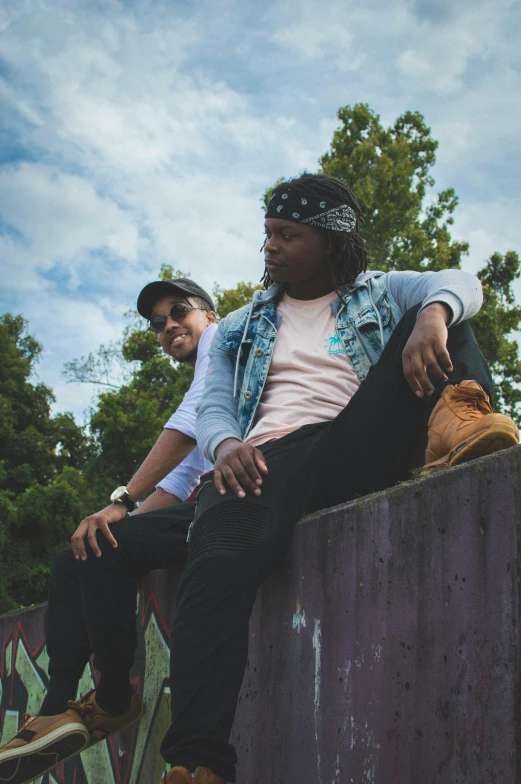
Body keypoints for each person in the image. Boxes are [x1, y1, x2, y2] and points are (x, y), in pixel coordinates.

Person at [160, 174, 519, 784]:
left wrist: (432, 312)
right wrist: (225, 446)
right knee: (214, 559)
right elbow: (214, 405)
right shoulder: (242, 326)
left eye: (287, 235)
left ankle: (463, 421)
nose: (269, 246)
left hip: (354, 441)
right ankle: (196, 765)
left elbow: (462, 282)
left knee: (442, 308)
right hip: (267, 461)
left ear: (329, 239)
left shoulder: (379, 291)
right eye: (267, 233)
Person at [0, 278, 217, 784]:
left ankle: (115, 698)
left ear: (209, 313)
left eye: (178, 312)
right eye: (157, 325)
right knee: (78, 552)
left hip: (243, 497)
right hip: (206, 497)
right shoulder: (207, 374)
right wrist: (111, 529)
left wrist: (120, 503)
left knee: (103, 546)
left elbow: (190, 420)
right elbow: (181, 476)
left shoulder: (223, 340)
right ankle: (57, 706)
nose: (167, 328)